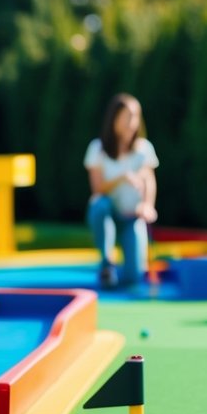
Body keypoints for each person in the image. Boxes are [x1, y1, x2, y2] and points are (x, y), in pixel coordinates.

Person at [84, 93, 159, 288]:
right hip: (108, 213)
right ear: (114, 119)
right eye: (126, 116)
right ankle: (106, 263)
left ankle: (125, 271)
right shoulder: (98, 148)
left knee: (133, 278)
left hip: (132, 216)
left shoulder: (143, 149)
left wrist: (147, 205)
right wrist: (123, 177)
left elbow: (149, 180)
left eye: (134, 116)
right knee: (100, 205)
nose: (130, 122)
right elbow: (98, 189)